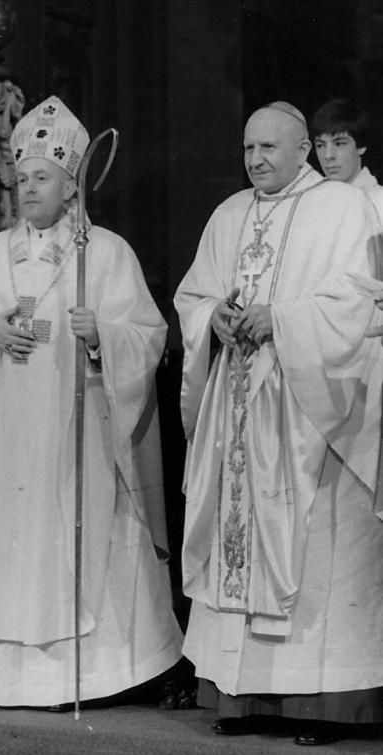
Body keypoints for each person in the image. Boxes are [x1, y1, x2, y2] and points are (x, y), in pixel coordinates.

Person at [0, 96, 183, 709]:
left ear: (71, 183)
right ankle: (12, 676)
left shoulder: (104, 252)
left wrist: (103, 333)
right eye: (21, 178)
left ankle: (93, 674)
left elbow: (148, 334)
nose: (28, 188)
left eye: (41, 178)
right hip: (8, 434)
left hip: (80, 427)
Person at [175, 102, 383, 746]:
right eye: (247, 149)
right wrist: (215, 318)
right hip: (238, 407)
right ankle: (241, 700)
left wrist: (281, 320)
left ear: (304, 152)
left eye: (270, 148)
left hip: (310, 413)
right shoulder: (228, 214)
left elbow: (360, 300)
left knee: (318, 551)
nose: (257, 160)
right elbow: (194, 294)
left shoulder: (343, 209)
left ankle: (319, 707)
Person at [311, 98, 383, 219]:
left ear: (361, 146)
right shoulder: (312, 204)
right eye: (321, 145)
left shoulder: (379, 202)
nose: (328, 155)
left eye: (339, 144)